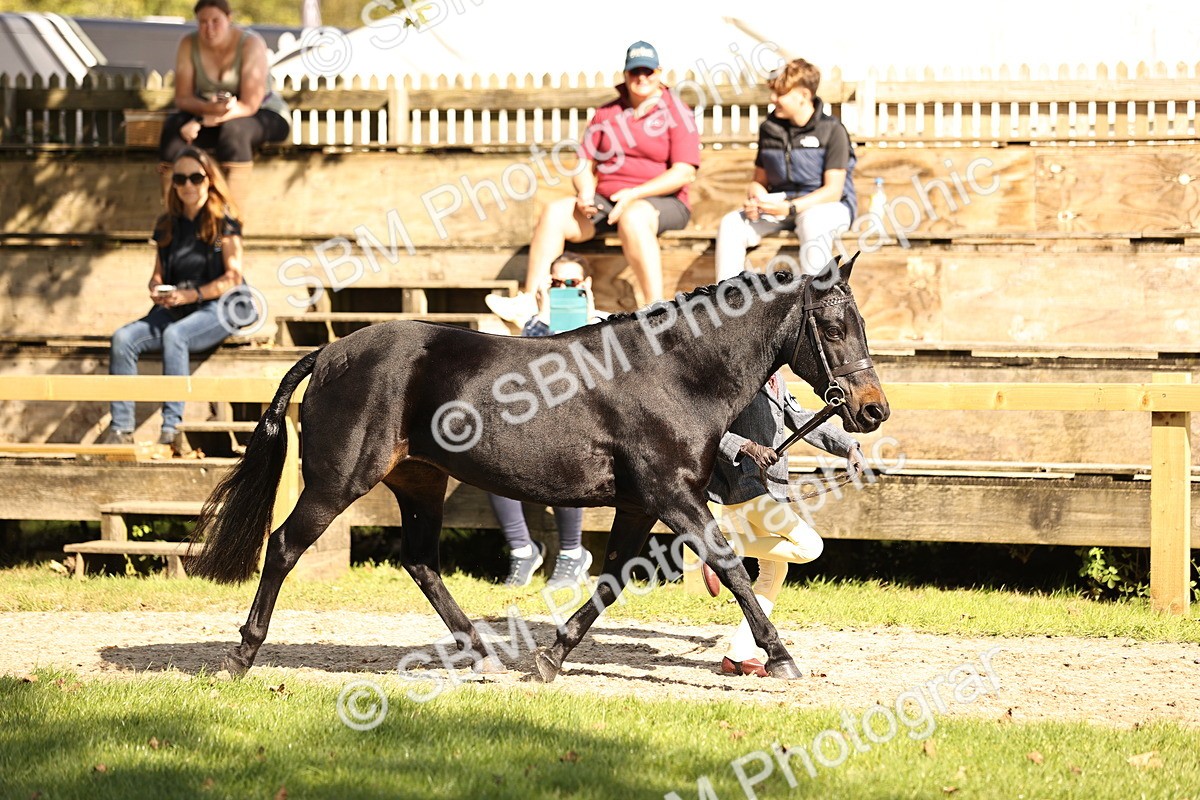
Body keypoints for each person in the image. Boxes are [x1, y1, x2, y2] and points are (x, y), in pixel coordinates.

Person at [487, 40, 700, 322]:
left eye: (648, 71)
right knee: (555, 213)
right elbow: (583, 164)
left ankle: (655, 310)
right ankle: (533, 302)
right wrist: (585, 193)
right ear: (625, 75)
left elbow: (684, 172)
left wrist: (634, 194)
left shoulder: (677, 111)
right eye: (635, 72)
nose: (642, 78)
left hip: (663, 202)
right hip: (608, 202)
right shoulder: (606, 113)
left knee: (633, 217)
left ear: (659, 73)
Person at [703, 371, 864, 677]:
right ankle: (724, 550)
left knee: (775, 570)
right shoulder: (736, 374)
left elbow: (800, 417)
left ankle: (739, 654)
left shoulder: (775, 375)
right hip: (743, 488)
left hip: (770, 489)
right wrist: (747, 447)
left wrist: (848, 447)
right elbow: (708, 428)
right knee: (809, 547)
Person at [101, 147, 258, 453]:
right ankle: (121, 430)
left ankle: (170, 429)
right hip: (178, 305)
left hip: (222, 305)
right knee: (123, 338)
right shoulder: (166, 224)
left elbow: (233, 277)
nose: (188, 185)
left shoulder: (223, 221)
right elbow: (157, 273)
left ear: (209, 180)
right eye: (180, 178)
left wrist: (192, 294)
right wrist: (156, 287)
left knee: (176, 336)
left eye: (196, 177)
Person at [493, 253, 603, 588]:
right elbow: (523, 374)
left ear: (586, 285)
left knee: (566, 455)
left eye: (572, 283)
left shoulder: (605, 322)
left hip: (589, 425)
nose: (565, 289)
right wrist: (542, 313)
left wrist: (586, 318)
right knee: (492, 457)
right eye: (557, 283)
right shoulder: (536, 325)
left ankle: (572, 554)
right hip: (539, 422)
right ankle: (523, 550)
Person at [714, 58, 857, 281]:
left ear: (804, 96)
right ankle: (727, 303)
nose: (773, 99)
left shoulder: (833, 130)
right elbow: (758, 180)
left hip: (827, 207)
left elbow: (833, 191)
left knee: (813, 222)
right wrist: (757, 199)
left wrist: (790, 208)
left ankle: (813, 306)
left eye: (781, 94)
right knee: (731, 223)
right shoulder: (769, 129)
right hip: (781, 205)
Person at [157, 0, 291, 216]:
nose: (209, 28)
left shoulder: (250, 43)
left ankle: (231, 225)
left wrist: (202, 121)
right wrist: (205, 112)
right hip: (210, 113)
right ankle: (174, 222)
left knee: (234, 132)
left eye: (215, 21)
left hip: (262, 114)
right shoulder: (189, 44)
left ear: (229, 19)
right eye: (202, 22)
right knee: (173, 129)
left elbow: (249, 104)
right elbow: (182, 98)